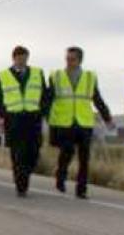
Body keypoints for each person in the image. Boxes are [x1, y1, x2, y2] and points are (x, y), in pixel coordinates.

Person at [46, 46, 113, 199]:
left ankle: (81, 189)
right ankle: (61, 175)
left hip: (84, 122)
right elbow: (48, 98)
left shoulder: (90, 77)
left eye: (72, 59)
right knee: (67, 151)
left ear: (80, 60)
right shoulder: (56, 76)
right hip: (64, 121)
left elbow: (97, 99)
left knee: (84, 158)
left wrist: (107, 117)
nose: (69, 62)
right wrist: (45, 115)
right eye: (67, 59)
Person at [0, 46, 48, 197]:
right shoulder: (3, 75)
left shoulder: (37, 73)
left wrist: (42, 111)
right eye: (19, 58)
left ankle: (26, 173)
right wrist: (4, 114)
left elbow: (45, 95)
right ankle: (21, 186)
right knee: (17, 154)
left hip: (33, 119)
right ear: (14, 58)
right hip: (14, 120)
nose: (22, 61)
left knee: (33, 152)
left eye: (25, 58)